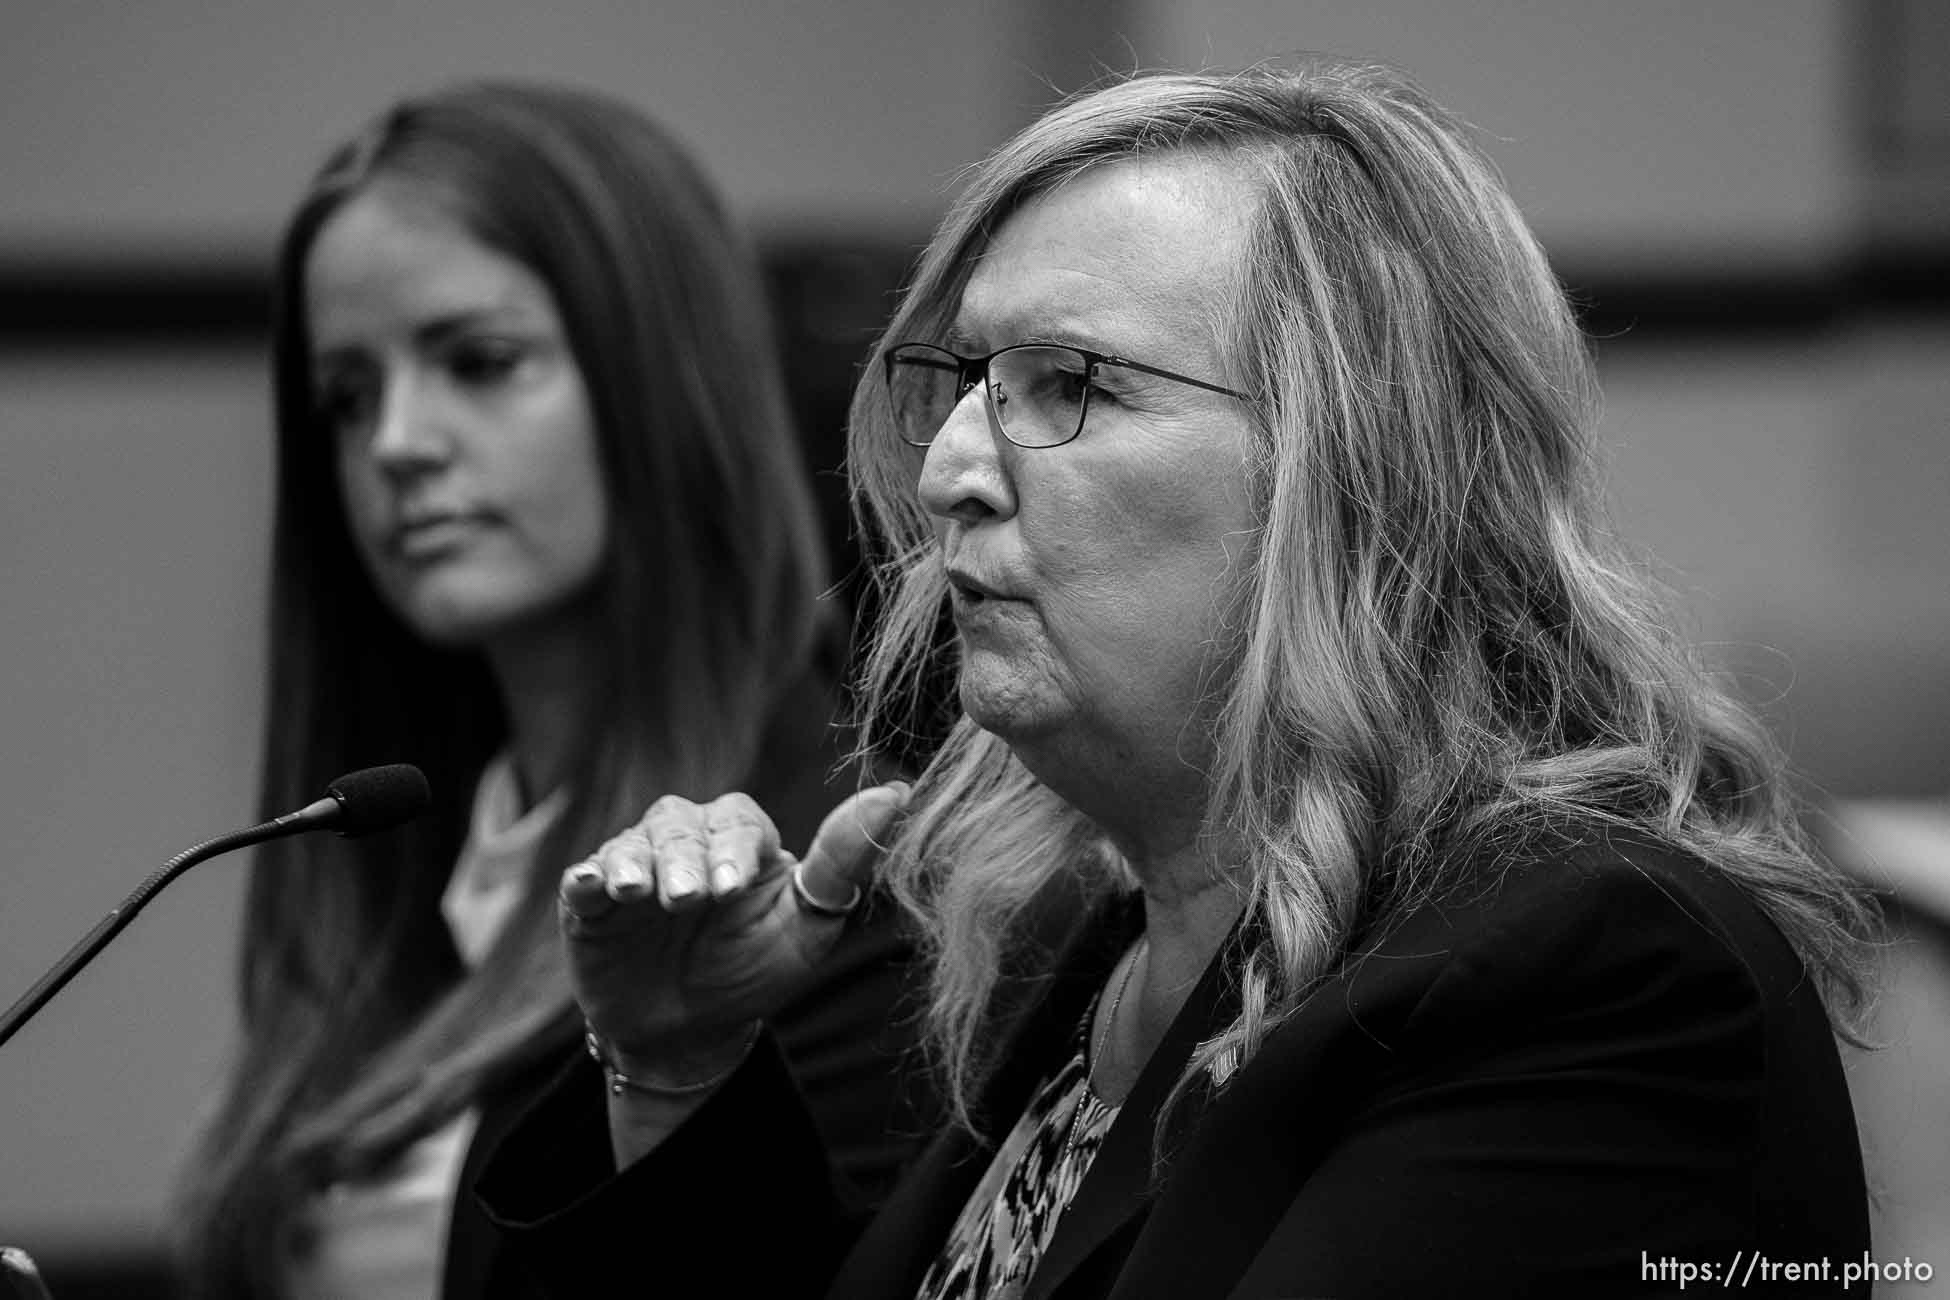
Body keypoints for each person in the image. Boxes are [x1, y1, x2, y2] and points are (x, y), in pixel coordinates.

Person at [472, 58, 1881, 1297]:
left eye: (1069, 382)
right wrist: (675, 1067)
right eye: (964, 384)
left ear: (1350, 472)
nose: (952, 474)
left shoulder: (1585, 970)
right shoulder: (1074, 938)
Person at [171, 82, 928, 1299]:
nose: (398, 443)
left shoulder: (822, 877)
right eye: (347, 397)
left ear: (661, 384)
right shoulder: (393, 852)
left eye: (479, 362)